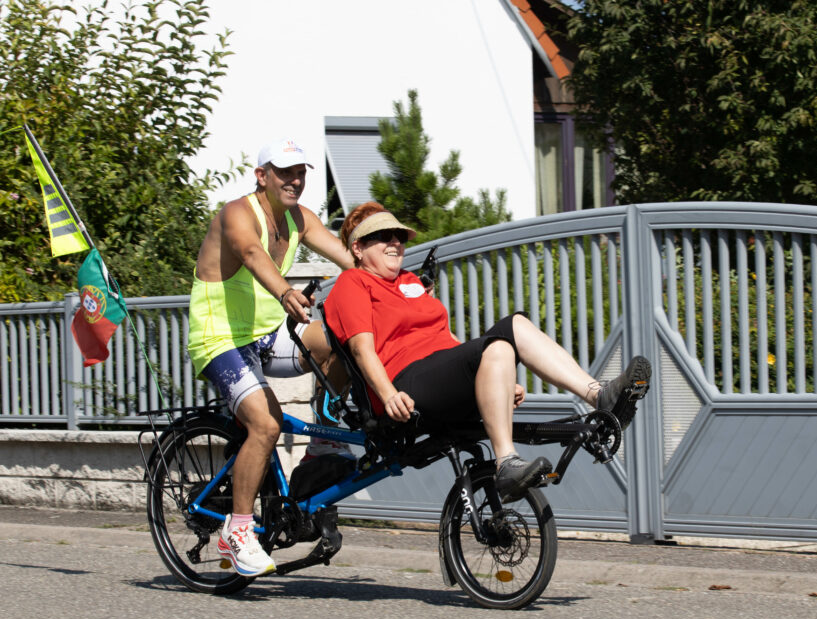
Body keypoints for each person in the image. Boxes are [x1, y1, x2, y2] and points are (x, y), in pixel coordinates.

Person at [323, 201, 651, 502]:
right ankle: (506, 462)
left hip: (438, 374)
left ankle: (598, 395)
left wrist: (499, 376)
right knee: (495, 346)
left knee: (514, 327)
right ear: (358, 247)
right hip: (405, 384)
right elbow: (362, 349)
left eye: (398, 235)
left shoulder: (411, 282)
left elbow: (446, 341)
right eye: (382, 236)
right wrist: (388, 393)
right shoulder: (353, 283)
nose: (395, 241)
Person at [187, 138, 354, 576]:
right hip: (219, 338)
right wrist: (284, 290)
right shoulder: (238, 213)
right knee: (266, 423)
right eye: (285, 172)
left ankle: (322, 444)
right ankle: (238, 531)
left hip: (265, 336)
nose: (295, 181)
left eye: (301, 172)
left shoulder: (299, 218)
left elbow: (348, 257)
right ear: (262, 176)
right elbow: (250, 252)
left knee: (339, 340)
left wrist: (394, 277)